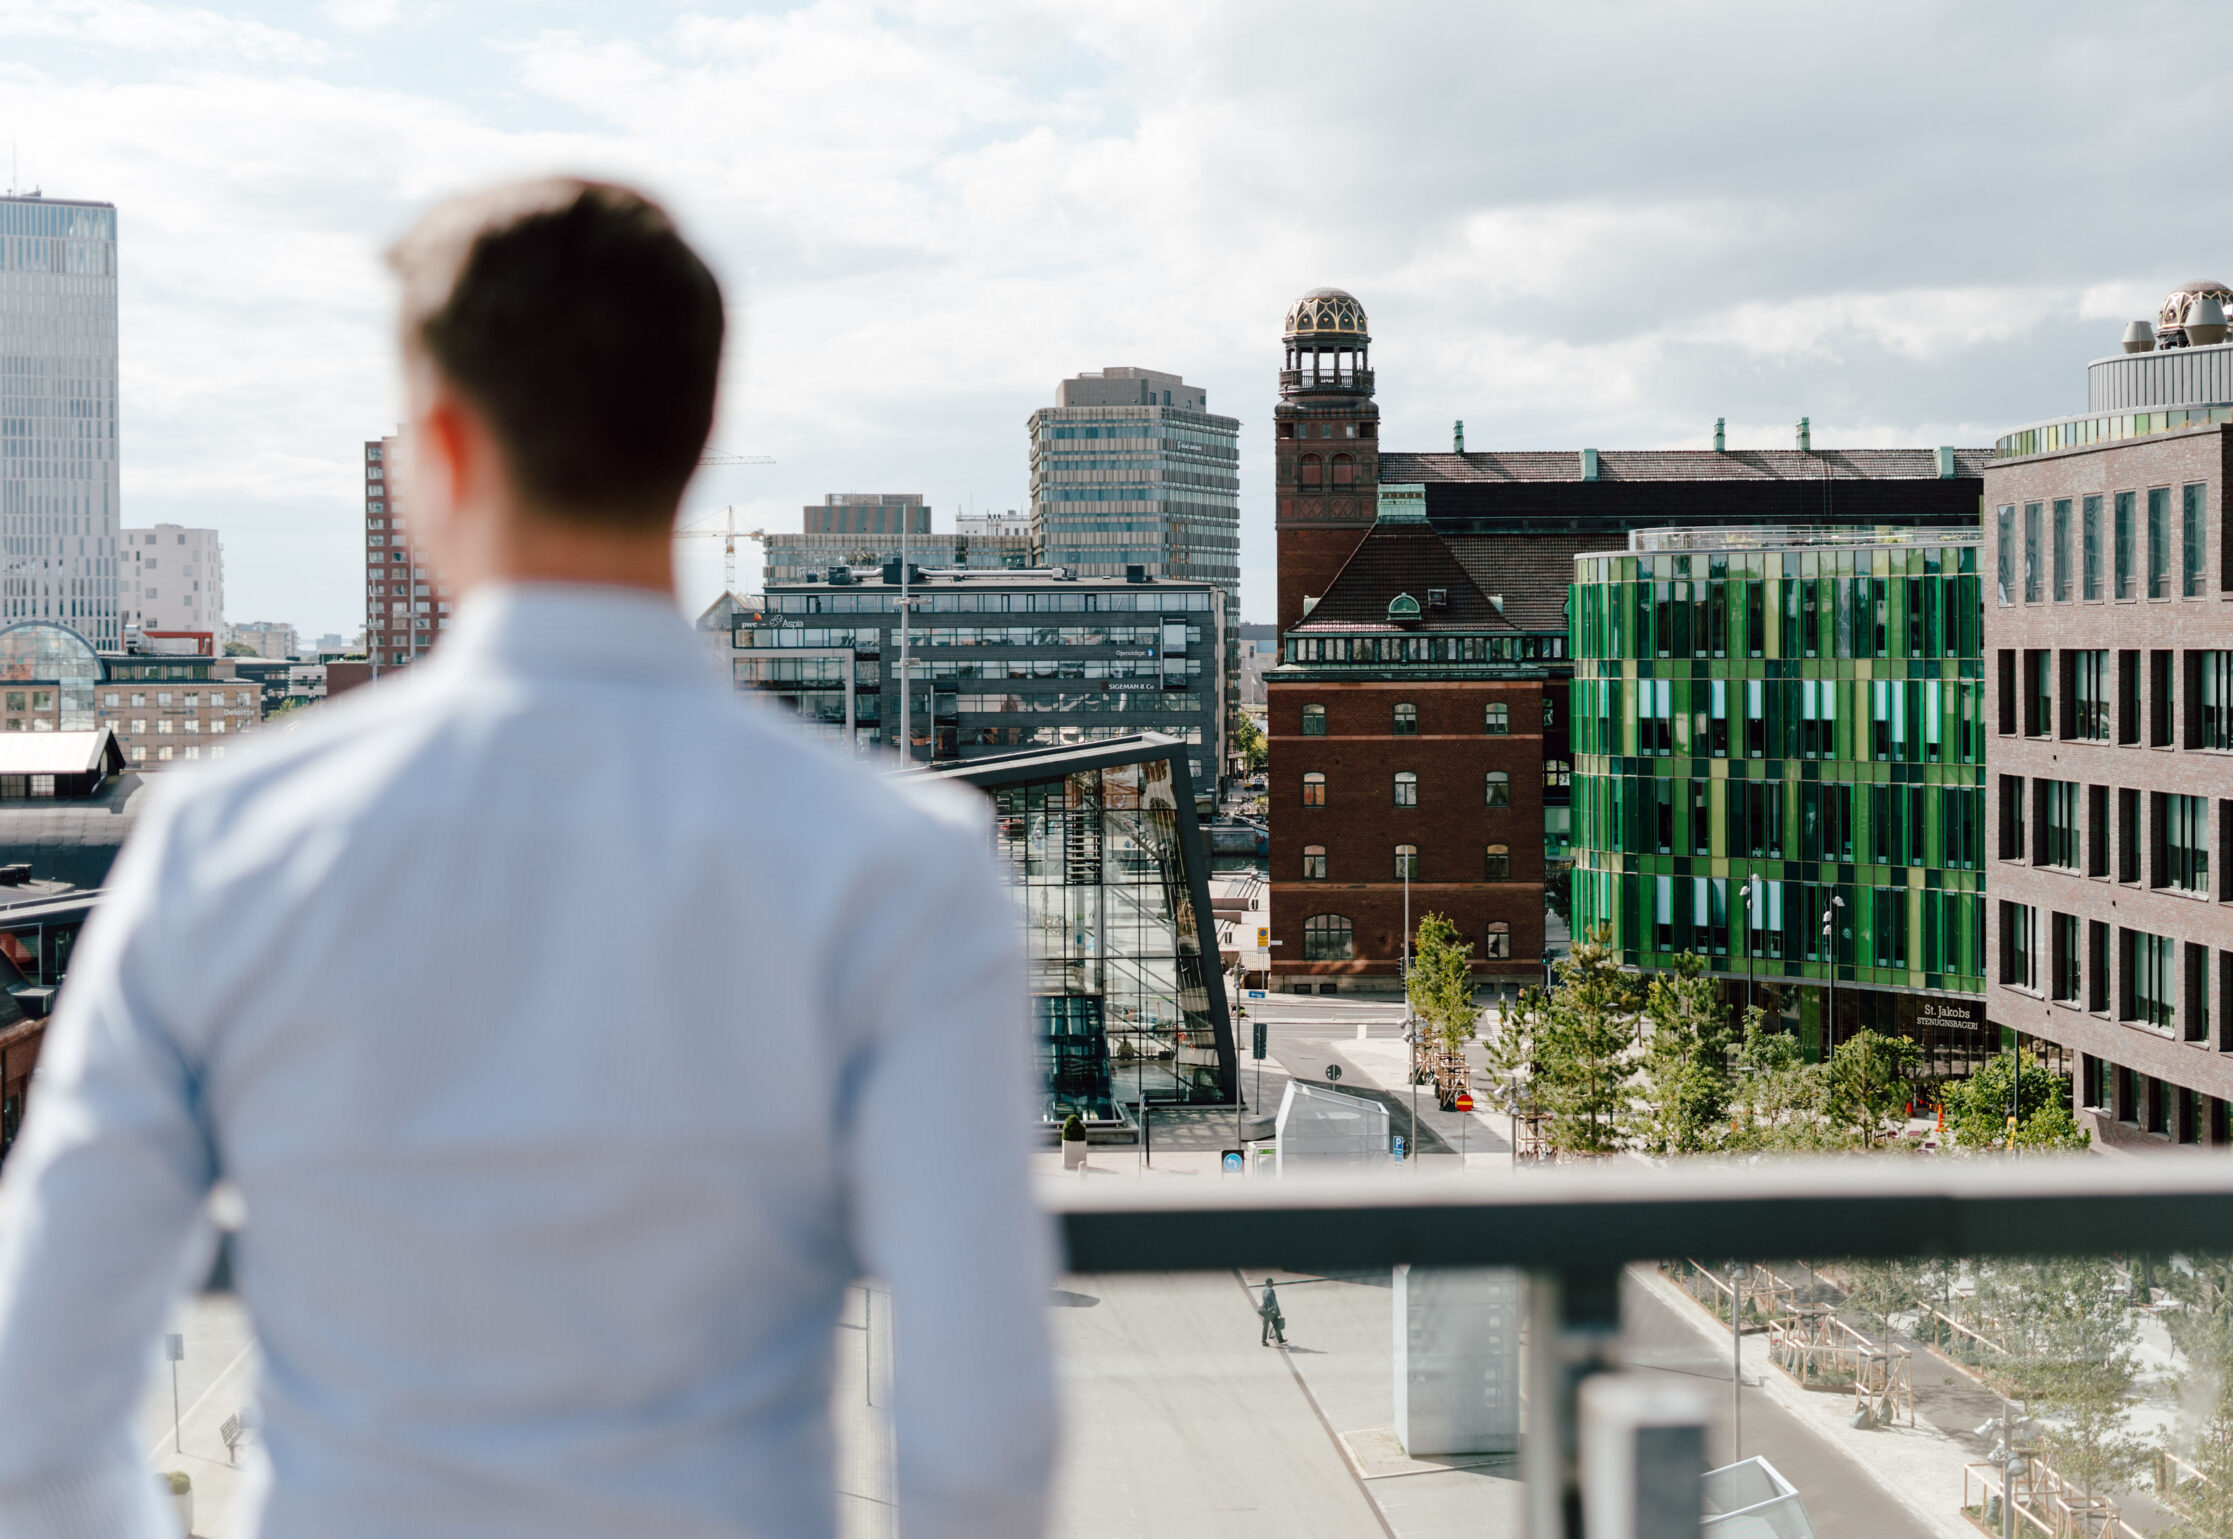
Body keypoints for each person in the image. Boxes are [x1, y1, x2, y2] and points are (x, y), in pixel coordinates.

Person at [0, 179, 1057, 1538]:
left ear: (436, 448)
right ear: (698, 436)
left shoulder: (224, 842)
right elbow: (983, 1438)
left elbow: (34, 1414)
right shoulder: (901, 861)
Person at [1258, 1278, 1287, 1347]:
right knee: (1276, 1324)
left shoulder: (1263, 1290)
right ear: (1269, 1283)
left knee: (1266, 1326)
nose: (1273, 1283)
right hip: (1271, 1311)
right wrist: (1278, 1311)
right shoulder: (1271, 1290)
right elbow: (1274, 1302)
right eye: (1272, 1282)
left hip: (1266, 1311)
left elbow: (1264, 1301)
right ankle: (1280, 1339)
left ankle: (1264, 1341)